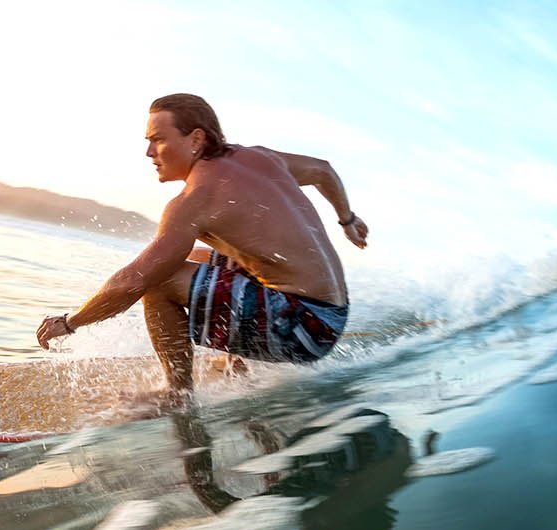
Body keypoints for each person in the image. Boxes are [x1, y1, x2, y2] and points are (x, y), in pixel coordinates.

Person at [36, 93, 368, 399]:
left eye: (158, 140)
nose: (149, 153)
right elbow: (324, 171)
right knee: (197, 259)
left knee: (161, 280)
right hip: (331, 314)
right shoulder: (258, 157)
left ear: (196, 138)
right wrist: (348, 220)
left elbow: (133, 281)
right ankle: (237, 363)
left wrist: (71, 322)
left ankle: (177, 395)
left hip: (305, 330)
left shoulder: (195, 199)